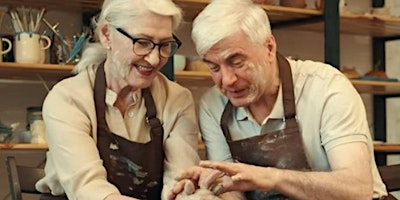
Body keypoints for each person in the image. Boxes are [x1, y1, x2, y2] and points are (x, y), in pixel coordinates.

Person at [169, 0, 388, 199]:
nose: (227, 80)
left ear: (269, 48)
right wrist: (210, 189)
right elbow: (233, 193)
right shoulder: (213, 105)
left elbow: (357, 189)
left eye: (236, 62)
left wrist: (270, 177)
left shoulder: (326, 87)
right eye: (214, 67)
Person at [35, 0, 200, 199]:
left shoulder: (177, 99)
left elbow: (180, 181)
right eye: (142, 42)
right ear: (106, 35)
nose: (155, 59)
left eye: (164, 45)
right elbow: (89, 188)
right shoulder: (68, 98)